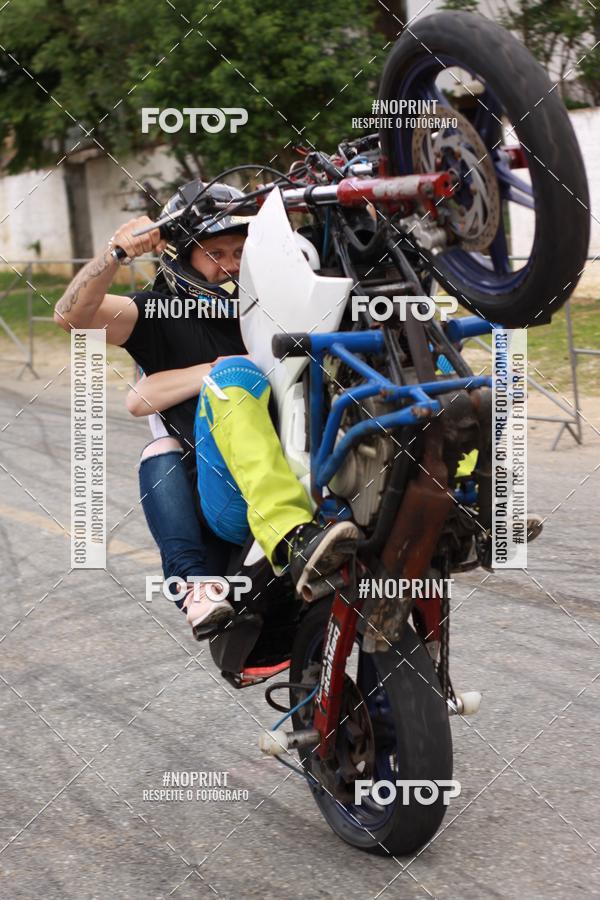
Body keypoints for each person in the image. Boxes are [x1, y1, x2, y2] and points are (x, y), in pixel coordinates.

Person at [54, 180, 358, 638]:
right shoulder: (158, 313)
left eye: (241, 252)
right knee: (202, 408)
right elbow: (70, 316)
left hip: (314, 466)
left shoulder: (273, 308)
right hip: (232, 499)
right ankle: (222, 572)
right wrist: (115, 254)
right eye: (217, 253)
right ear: (184, 257)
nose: (232, 266)